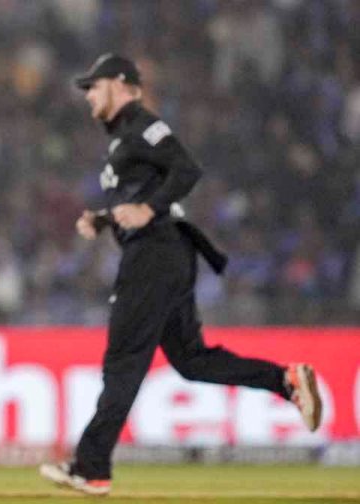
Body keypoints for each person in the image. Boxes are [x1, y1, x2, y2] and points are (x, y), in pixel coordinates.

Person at [39, 54, 323, 496]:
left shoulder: (142, 126)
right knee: (191, 361)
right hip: (166, 253)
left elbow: (186, 169)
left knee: (124, 359)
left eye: (94, 87)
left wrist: (147, 210)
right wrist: (103, 219)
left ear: (120, 84)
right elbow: (137, 200)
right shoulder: (122, 142)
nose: (89, 96)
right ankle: (284, 381)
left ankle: (91, 466)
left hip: (155, 254)